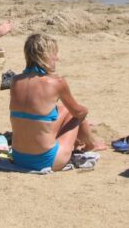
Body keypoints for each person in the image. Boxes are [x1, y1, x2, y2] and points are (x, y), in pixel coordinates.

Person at [10, 33, 105, 171]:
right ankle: (91, 144)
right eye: (55, 54)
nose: (57, 58)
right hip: (46, 159)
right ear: (45, 56)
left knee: (62, 110)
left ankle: (86, 141)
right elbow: (78, 112)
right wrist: (86, 110)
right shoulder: (57, 83)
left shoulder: (15, 81)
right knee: (77, 113)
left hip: (19, 157)